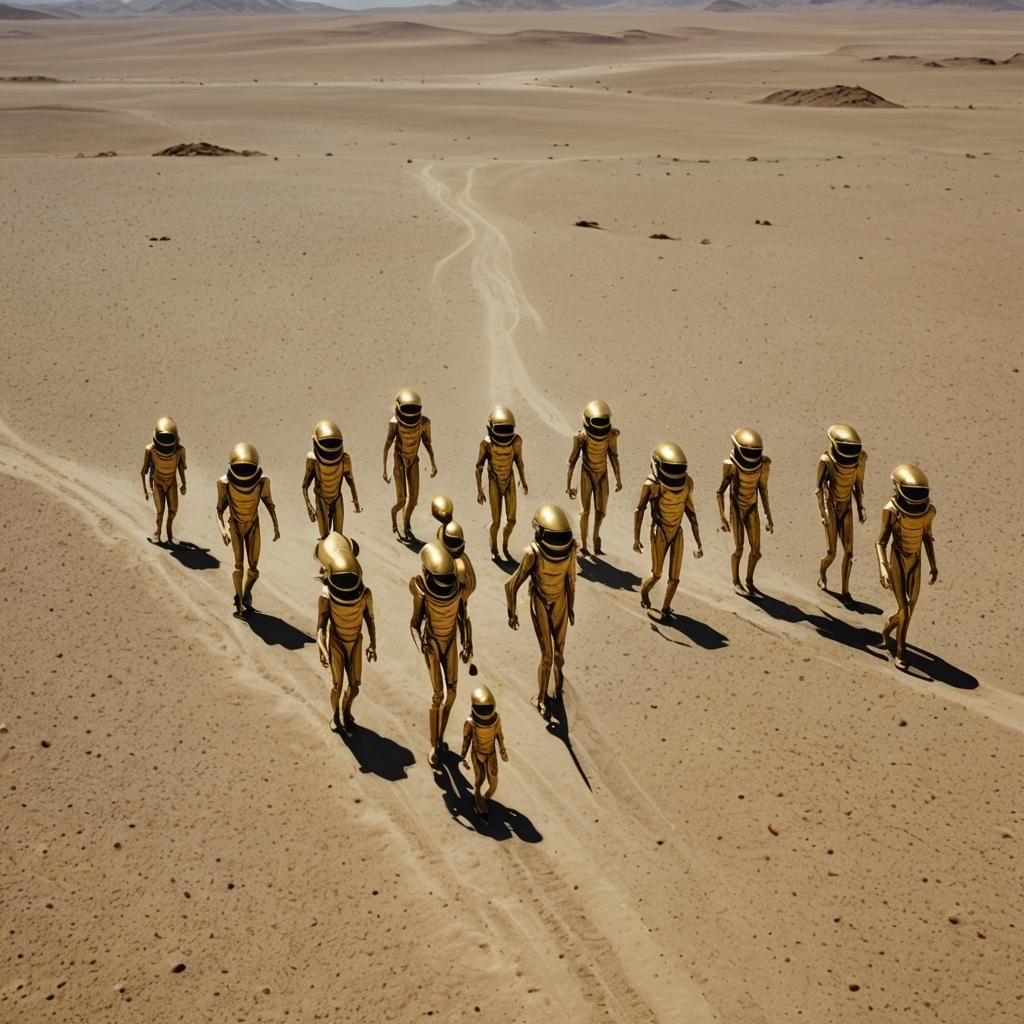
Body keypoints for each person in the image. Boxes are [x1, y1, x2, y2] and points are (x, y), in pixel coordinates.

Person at [505, 504, 577, 715]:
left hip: (561, 601)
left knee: (559, 655)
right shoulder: (532, 554)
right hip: (540, 601)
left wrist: (570, 606)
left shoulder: (571, 549)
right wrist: (512, 611)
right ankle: (542, 696)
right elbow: (511, 584)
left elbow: (571, 579)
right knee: (547, 656)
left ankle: (558, 686)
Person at [411, 542, 472, 767]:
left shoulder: (457, 586)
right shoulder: (421, 589)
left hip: (451, 641)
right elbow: (414, 624)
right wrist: (422, 646)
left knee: (453, 694)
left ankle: (440, 736)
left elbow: (462, 616)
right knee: (438, 695)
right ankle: (433, 744)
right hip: (433, 643)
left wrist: (467, 641)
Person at [876, 465, 938, 669]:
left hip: (916, 561)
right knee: (905, 608)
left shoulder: (928, 511)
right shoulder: (891, 510)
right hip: (898, 559)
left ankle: (888, 628)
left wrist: (933, 564)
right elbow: (880, 542)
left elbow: (927, 537)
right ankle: (901, 652)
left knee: (908, 609)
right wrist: (883, 568)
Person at [634, 443, 703, 622]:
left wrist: (698, 541)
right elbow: (639, 510)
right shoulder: (652, 485)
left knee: (675, 578)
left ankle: (665, 610)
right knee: (657, 574)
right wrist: (636, 538)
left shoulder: (687, 483)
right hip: (660, 530)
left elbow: (691, 512)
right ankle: (644, 593)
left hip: (677, 532)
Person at [315, 532, 376, 733]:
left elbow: (369, 618)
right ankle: (335, 716)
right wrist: (323, 649)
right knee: (336, 686)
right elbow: (320, 629)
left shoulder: (365, 594)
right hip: (337, 642)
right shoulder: (326, 596)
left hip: (356, 641)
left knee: (355, 686)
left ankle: (346, 709)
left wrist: (372, 644)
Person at [216, 443, 280, 616]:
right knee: (238, 567)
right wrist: (223, 530)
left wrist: (276, 525)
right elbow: (219, 510)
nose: (244, 471)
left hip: (253, 525)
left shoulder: (262, 482)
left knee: (253, 570)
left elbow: (269, 502)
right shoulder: (224, 482)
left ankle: (246, 595)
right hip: (235, 525)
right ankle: (239, 601)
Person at [716, 428, 773, 594]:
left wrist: (768, 515)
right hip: (737, 508)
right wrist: (723, 518)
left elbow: (763, 489)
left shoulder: (763, 464)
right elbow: (719, 492)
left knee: (756, 551)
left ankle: (749, 581)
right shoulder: (731, 466)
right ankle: (736, 581)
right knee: (739, 548)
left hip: (752, 508)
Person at [815, 424, 867, 600]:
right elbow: (819, 489)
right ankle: (822, 573)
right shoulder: (826, 461)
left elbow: (858, 484)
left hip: (847, 507)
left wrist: (860, 506)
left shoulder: (860, 459)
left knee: (849, 552)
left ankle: (845, 592)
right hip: (831, 506)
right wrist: (823, 513)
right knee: (832, 553)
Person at [566, 400, 621, 557]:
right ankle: (583, 544)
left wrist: (618, 478)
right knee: (584, 512)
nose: (600, 425)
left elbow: (614, 457)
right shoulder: (581, 437)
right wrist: (568, 484)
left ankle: (596, 538)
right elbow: (572, 460)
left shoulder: (610, 435)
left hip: (602, 474)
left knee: (601, 511)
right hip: (587, 474)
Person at [475, 406, 528, 561]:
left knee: (512, 520)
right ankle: (494, 548)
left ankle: (505, 545)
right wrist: (479, 490)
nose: (504, 433)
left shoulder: (516, 441)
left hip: (509, 478)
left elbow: (519, 462)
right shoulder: (486, 444)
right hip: (494, 480)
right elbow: (478, 467)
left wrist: (523, 481)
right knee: (496, 521)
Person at [383, 389, 436, 541]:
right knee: (402, 500)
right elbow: (387, 445)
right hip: (399, 458)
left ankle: (406, 522)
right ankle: (395, 517)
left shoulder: (424, 423)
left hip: (414, 459)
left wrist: (433, 462)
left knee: (413, 499)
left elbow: (427, 442)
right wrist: (385, 469)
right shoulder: (395, 423)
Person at [302, 419, 360, 540]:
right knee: (324, 537)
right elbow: (305, 485)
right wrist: (309, 506)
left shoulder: (345, 459)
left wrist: (356, 501)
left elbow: (351, 481)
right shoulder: (313, 460)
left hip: (337, 498)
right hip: (321, 499)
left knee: (338, 537)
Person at [459, 686, 508, 820]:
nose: (485, 710)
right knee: (479, 779)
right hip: (477, 753)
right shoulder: (470, 722)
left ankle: (485, 798)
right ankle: (478, 800)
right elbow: (467, 739)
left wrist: (502, 749)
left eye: (488, 707)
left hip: (491, 753)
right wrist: (463, 756)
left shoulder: (496, 718)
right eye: (482, 708)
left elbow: (499, 734)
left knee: (494, 780)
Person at [140, 416, 187, 544]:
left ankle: (170, 533)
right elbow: (143, 471)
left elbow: (181, 467)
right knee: (160, 511)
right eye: (163, 438)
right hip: (158, 482)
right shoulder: (151, 450)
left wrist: (184, 483)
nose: (165, 442)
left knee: (173, 511)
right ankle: (158, 532)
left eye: (168, 438)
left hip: (172, 483)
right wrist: (146, 489)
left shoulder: (179, 450)